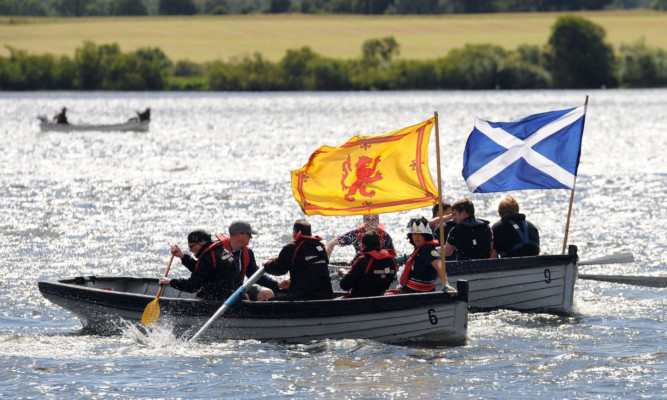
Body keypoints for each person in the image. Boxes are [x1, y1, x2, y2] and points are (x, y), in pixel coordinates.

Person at [264, 219, 333, 300]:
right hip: (326, 295)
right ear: (310, 233)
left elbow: (279, 270)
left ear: (295, 233)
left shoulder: (291, 247)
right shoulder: (320, 246)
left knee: (269, 301)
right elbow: (309, 266)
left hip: (302, 297)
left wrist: (267, 264)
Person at [159, 229, 238, 300]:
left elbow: (193, 286)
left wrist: (171, 282)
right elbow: (203, 271)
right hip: (234, 295)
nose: (190, 250)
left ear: (200, 243)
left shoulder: (207, 257)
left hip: (218, 300)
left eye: (191, 246)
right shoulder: (220, 249)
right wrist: (182, 256)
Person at [215, 220, 278, 301]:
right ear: (238, 235)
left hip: (238, 289)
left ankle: (252, 313)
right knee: (243, 297)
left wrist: (277, 284)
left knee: (267, 293)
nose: (251, 237)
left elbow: (255, 275)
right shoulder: (216, 250)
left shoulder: (248, 252)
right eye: (248, 234)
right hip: (219, 292)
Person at [392, 217, 454, 294]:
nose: (416, 237)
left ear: (425, 235)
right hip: (409, 290)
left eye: (420, 234)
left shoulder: (427, 248)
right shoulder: (419, 248)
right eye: (414, 234)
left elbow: (439, 265)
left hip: (414, 293)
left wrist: (445, 283)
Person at [338, 229, 397, 298]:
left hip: (359, 301)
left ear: (363, 245)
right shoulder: (392, 261)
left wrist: (343, 273)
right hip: (381, 299)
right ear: (380, 244)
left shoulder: (362, 261)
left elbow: (345, 285)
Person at [326, 214, 394, 258]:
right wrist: (325, 263)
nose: (371, 222)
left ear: (378, 220)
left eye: (373, 219)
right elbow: (331, 243)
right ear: (363, 220)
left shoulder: (385, 237)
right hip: (361, 265)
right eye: (367, 219)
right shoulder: (356, 234)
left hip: (378, 266)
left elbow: (392, 256)